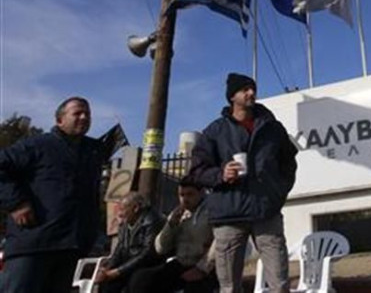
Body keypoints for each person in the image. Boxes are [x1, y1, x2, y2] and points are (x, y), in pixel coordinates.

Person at [189, 73, 298, 293]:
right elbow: (196, 171)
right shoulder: (215, 131)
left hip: (266, 213)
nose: (251, 93)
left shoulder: (272, 128)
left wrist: (277, 193)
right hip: (229, 216)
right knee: (229, 286)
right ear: (232, 97)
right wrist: (221, 174)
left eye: (253, 89)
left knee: (280, 283)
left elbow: (289, 164)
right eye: (245, 89)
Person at [0, 96, 106, 293]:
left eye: (87, 114)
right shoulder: (38, 146)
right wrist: (16, 203)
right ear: (59, 120)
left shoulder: (91, 153)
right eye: (77, 113)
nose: (84, 117)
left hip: (70, 247)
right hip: (33, 245)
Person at [122, 177, 216, 293]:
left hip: (204, 266)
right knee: (141, 278)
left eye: (190, 195)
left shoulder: (212, 212)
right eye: (182, 195)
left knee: (195, 287)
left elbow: (219, 244)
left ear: (201, 193)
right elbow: (160, 248)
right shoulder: (178, 213)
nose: (185, 199)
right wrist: (170, 225)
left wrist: (202, 269)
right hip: (181, 263)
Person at [96, 191, 165, 293]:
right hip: (129, 264)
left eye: (123, 209)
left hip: (148, 265)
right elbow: (120, 248)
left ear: (135, 208)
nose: (120, 213)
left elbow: (147, 253)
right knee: (107, 283)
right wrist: (108, 269)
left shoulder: (152, 221)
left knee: (137, 280)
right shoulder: (126, 223)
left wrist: (118, 271)